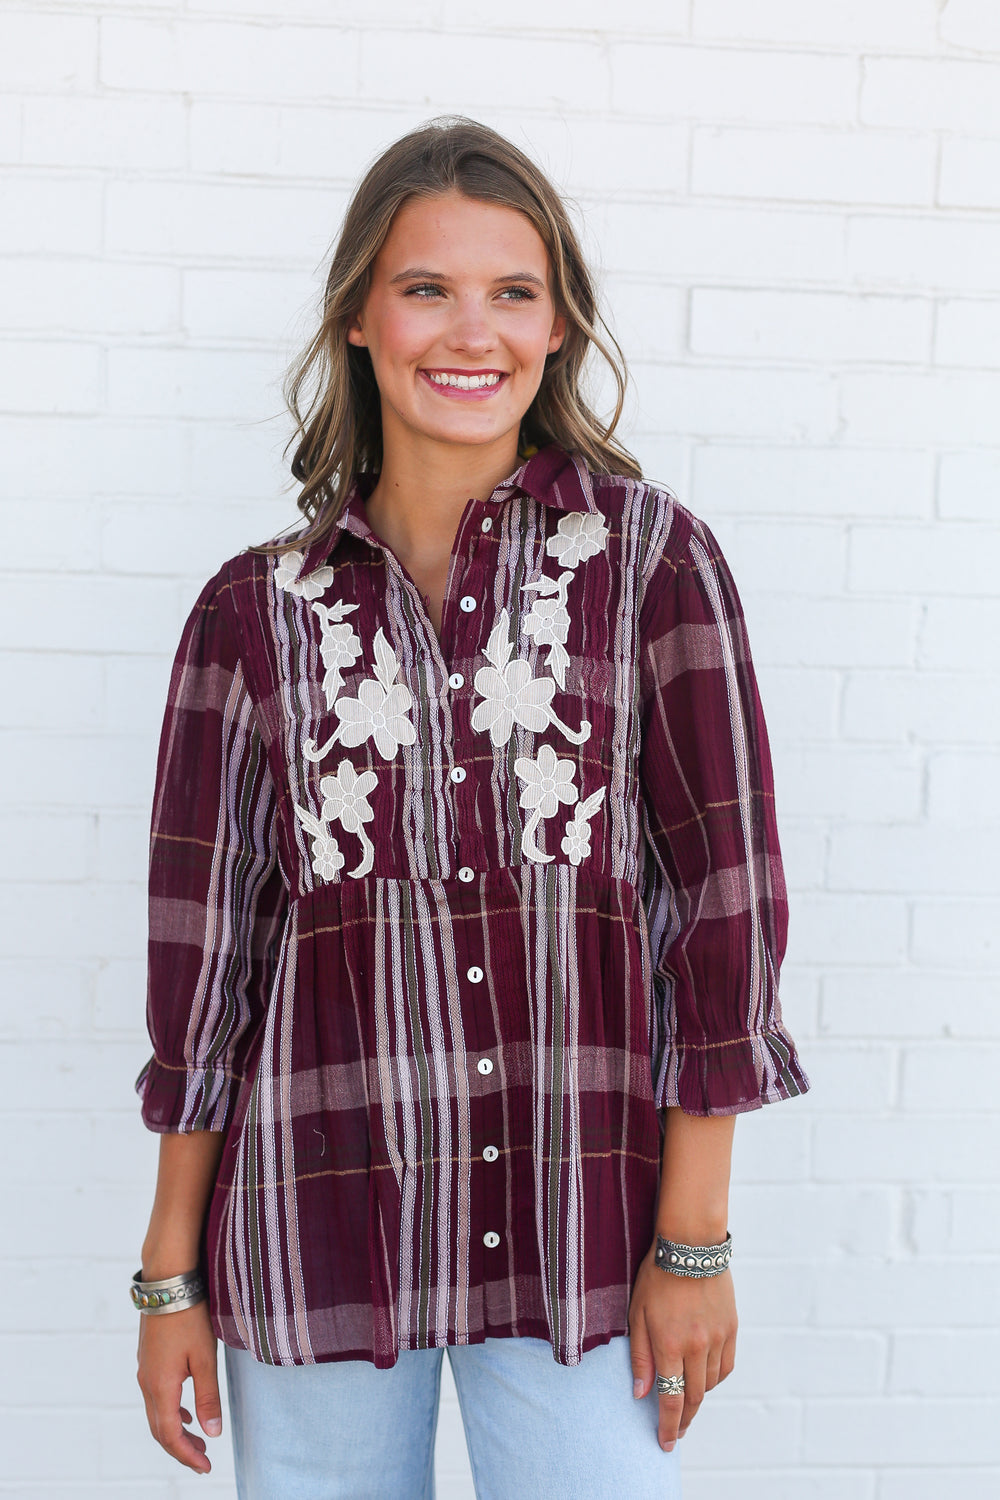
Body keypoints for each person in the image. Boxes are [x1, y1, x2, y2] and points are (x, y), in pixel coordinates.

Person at [132, 116, 809, 1499]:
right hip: (312, 1229)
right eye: (426, 287)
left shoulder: (654, 565)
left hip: (584, 1228)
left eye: (514, 292)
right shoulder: (251, 613)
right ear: (361, 320)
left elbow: (720, 916)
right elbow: (207, 974)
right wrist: (166, 1278)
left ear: (558, 328)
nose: (472, 331)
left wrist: (696, 1243)